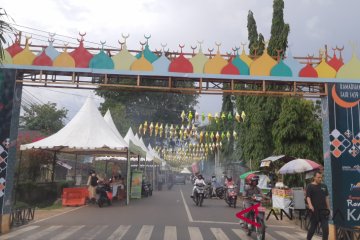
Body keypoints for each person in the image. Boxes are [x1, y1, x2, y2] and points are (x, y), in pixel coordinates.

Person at [306, 171, 330, 240]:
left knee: (326, 229)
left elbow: (326, 197)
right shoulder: (310, 186)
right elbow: (308, 197)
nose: (320, 179)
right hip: (314, 211)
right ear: (314, 178)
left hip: (323, 211)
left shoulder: (324, 186)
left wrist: (328, 208)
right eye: (318, 177)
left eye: (321, 177)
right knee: (312, 228)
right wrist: (310, 205)